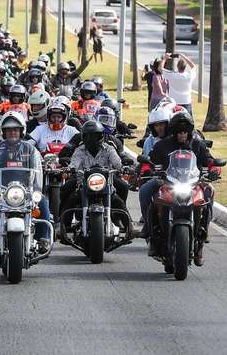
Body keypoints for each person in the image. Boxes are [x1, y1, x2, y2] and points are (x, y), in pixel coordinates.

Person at [141, 111, 215, 264]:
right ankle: (150, 231)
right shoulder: (162, 145)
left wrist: (214, 170)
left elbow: (209, 160)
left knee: (209, 192)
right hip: (166, 182)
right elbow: (148, 161)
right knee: (145, 191)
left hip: (193, 183)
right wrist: (147, 169)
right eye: (179, 132)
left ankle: (202, 236)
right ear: (173, 132)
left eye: (185, 131)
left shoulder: (197, 144)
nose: (182, 135)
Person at [0, 111, 50, 252]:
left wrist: (48, 165)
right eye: (9, 130)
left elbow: (37, 166)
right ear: (3, 132)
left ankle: (43, 239)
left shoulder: (30, 149)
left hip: (25, 191)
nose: (12, 133)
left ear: (21, 131)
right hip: (2, 191)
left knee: (42, 202)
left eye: (15, 129)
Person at [61, 121, 126, 230]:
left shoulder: (109, 149)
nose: (92, 139)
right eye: (88, 136)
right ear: (83, 136)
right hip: (84, 184)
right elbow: (74, 163)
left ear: (101, 136)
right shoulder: (79, 150)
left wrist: (124, 168)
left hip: (106, 184)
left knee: (119, 201)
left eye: (95, 136)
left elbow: (117, 163)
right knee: (70, 198)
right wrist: (70, 168)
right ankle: (63, 226)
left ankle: (126, 225)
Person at [160, 53, 195, 117]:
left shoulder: (172, 75)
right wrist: (183, 56)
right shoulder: (189, 76)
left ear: (177, 66)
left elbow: (160, 69)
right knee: (187, 119)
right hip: (186, 101)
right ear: (185, 67)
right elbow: (193, 66)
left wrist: (165, 58)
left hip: (174, 102)